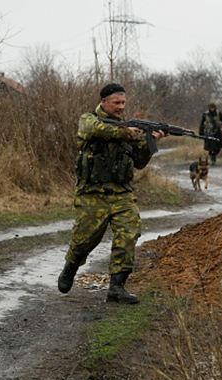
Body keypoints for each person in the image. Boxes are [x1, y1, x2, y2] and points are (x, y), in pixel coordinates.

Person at [57, 83, 165, 304]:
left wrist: (149, 141)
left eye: (123, 103)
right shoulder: (89, 119)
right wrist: (125, 133)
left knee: (129, 232)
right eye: (116, 103)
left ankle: (117, 287)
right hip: (92, 193)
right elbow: (93, 130)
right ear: (104, 102)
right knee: (85, 239)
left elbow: (140, 163)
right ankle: (71, 266)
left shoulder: (130, 128)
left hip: (121, 194)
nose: (120, 107)